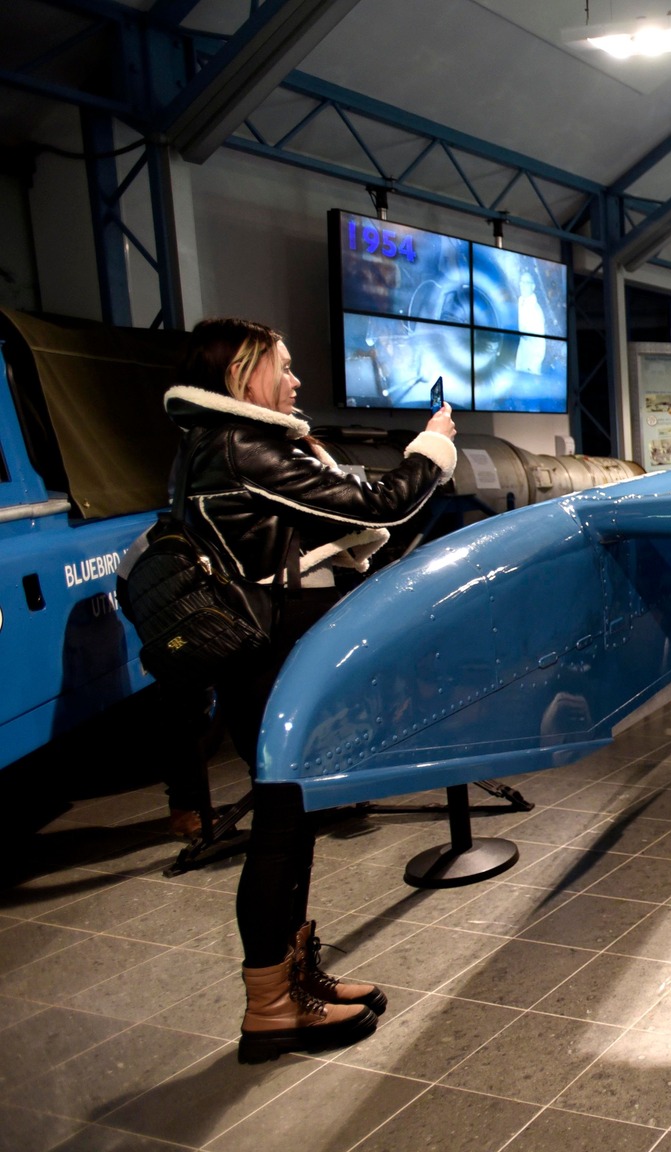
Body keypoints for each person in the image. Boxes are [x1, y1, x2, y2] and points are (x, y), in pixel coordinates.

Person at [164, 318, 456, 1062]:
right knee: (280, 829)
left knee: (291, 826)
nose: (295, 381)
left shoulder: (212, 446)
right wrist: (431, 452)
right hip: (267, 662)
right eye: (283, 367)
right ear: (242, 372)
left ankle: (297, 983)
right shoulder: (242, 447)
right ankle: (269, 1006)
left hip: (262, 660)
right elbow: (384, 505)